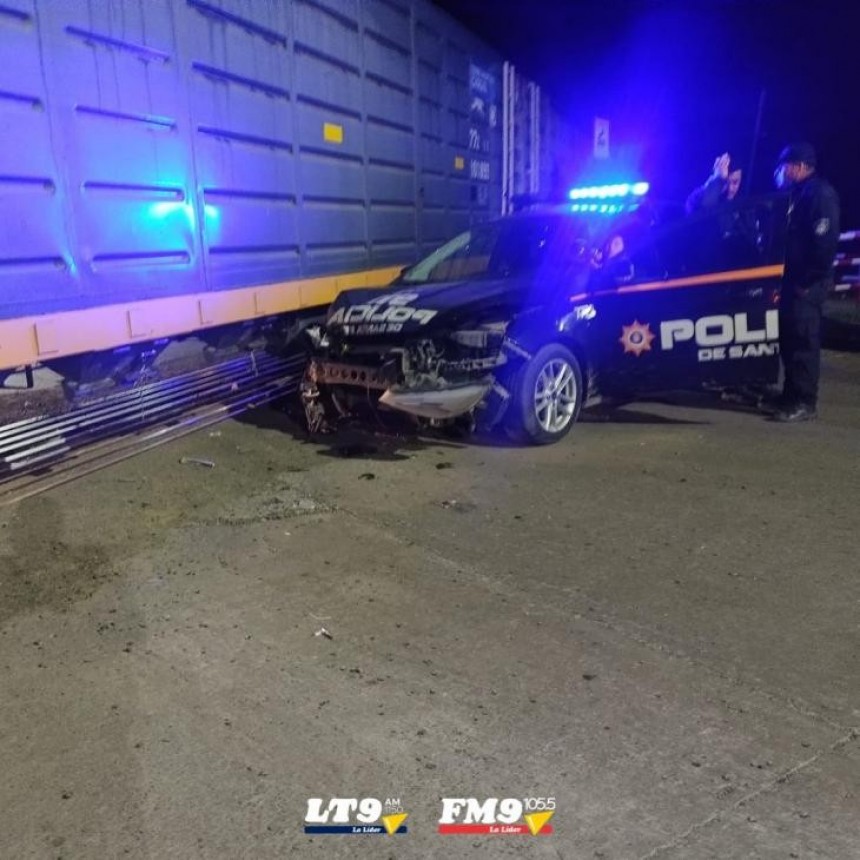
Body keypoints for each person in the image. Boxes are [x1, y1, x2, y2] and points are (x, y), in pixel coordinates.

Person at [769, 142, 840, 422]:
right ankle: (790, 394)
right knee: (789, 339)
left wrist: (808, 281)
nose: (781, 171)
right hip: (793, 281)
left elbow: (824, 244)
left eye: (785, 166)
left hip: (807, 284)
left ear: (799, 166)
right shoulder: (798, 193)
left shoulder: (819, 194)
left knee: (803, 341)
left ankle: (804, 401)